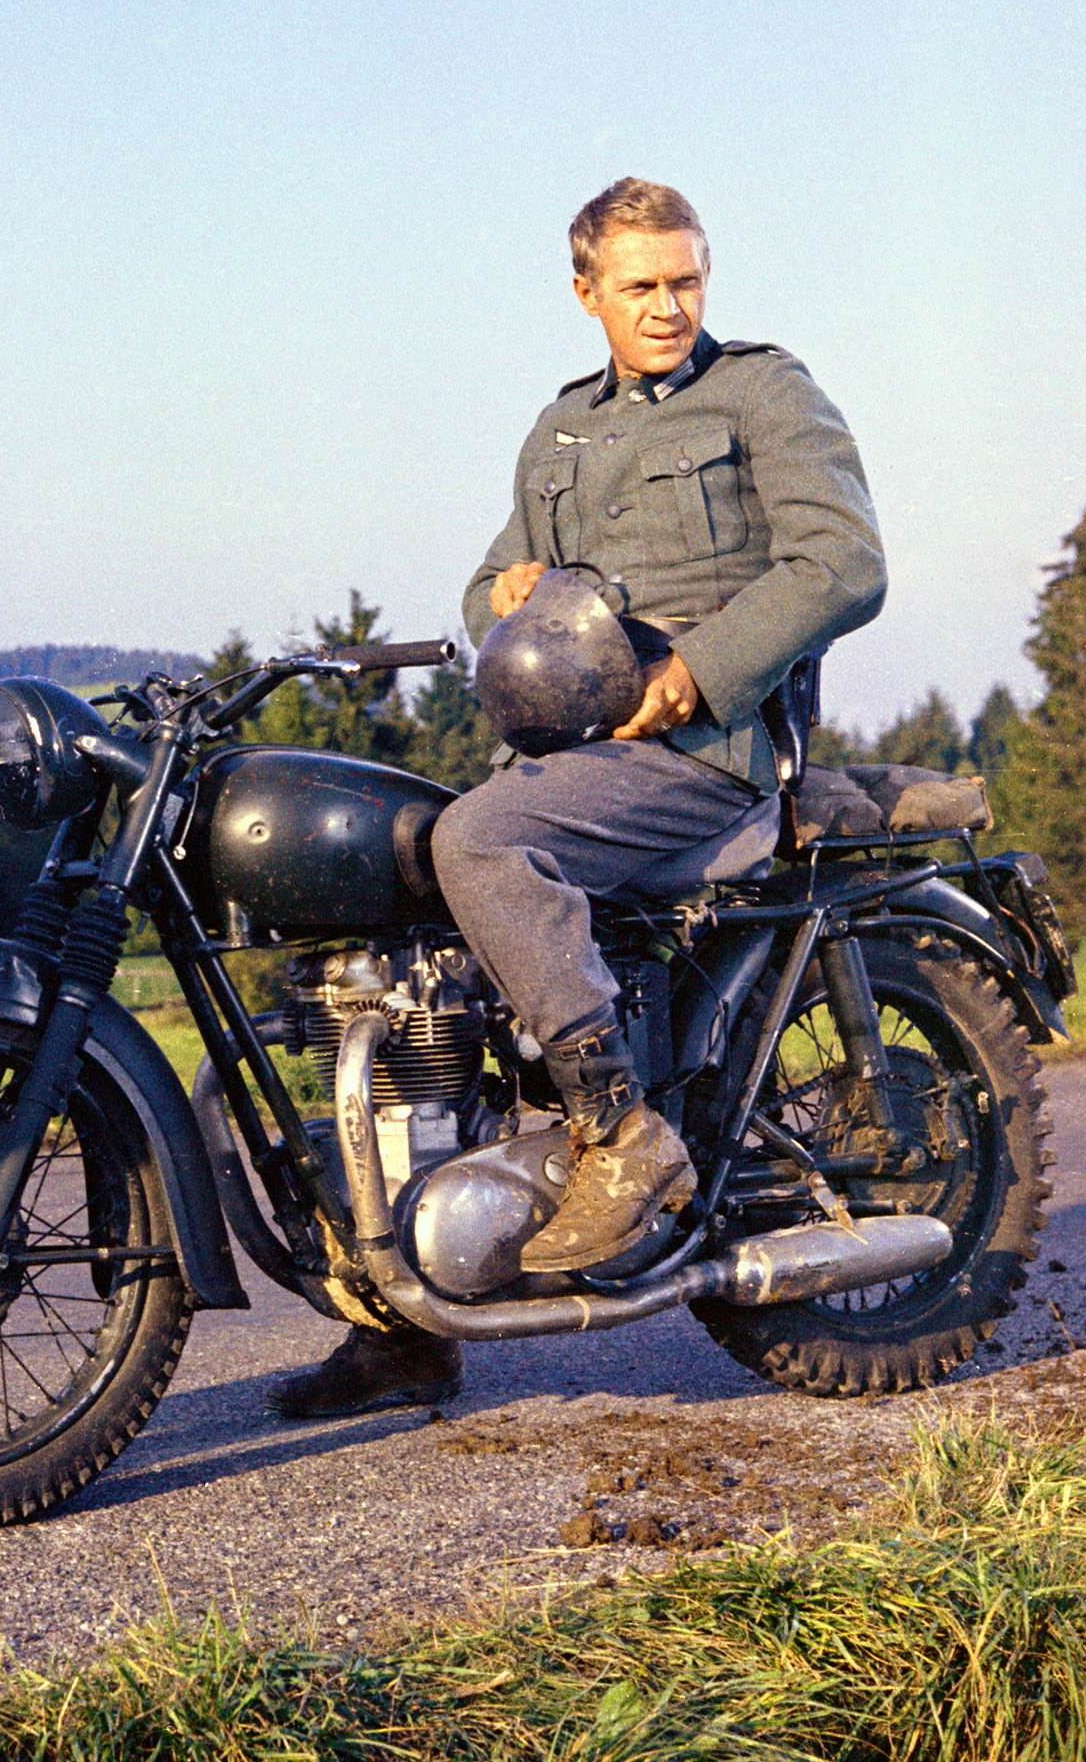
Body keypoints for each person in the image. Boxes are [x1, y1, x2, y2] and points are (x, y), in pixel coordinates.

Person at [271, 178, 887, 1420]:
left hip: (705, 752)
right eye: (639, 286)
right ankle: (401, 1322)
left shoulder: (760, 392)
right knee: (394, 931)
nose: (666, 307)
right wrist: (500, 593)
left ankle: (618, 1131)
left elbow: (843, 561)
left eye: (685, 280)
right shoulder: (557, 431)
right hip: (574, 758)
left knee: (478, 842)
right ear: (584, 293)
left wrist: (696, 670)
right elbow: (488, 585)